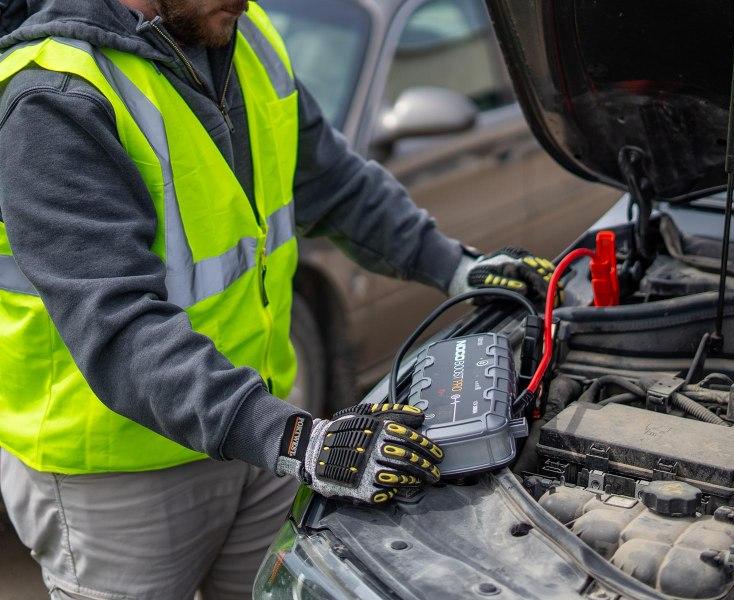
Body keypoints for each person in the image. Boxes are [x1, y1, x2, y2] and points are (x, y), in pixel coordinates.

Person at [0, 0, 556, 598]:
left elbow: (331, 181)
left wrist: (454, 268)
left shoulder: (242, 28)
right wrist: (298, 440)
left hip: (255, 424)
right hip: (120, 479)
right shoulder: (56, 96)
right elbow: (118, 328)